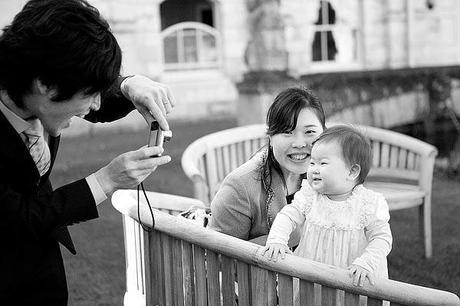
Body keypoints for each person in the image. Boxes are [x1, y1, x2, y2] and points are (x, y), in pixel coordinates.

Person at [0, 0, 175, 304]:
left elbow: (85, 89)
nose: (95, 104)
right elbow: (20, 217)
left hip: (42, 267)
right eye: (90, 94)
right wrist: (107, 179)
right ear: (44, 84)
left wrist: (127, 85)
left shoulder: (38, 83)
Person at [262, 125, 392, 290]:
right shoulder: (310, 196)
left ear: (352, 172)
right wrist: (277, 240)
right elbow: (288, 215)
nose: (314, 169)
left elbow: (382, 238)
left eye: (323, 163)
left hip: (352, 277)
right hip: (312, 274)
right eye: (312, 162)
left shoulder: (368, 203)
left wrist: (366, 263)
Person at [210, 87, 326, 246]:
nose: (299, 143)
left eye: (310, 132)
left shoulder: (329, 173)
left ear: (324, 134)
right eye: (287, 132)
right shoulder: (239, 186)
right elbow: (221, 258)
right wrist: (283, 237)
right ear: (271, 137)